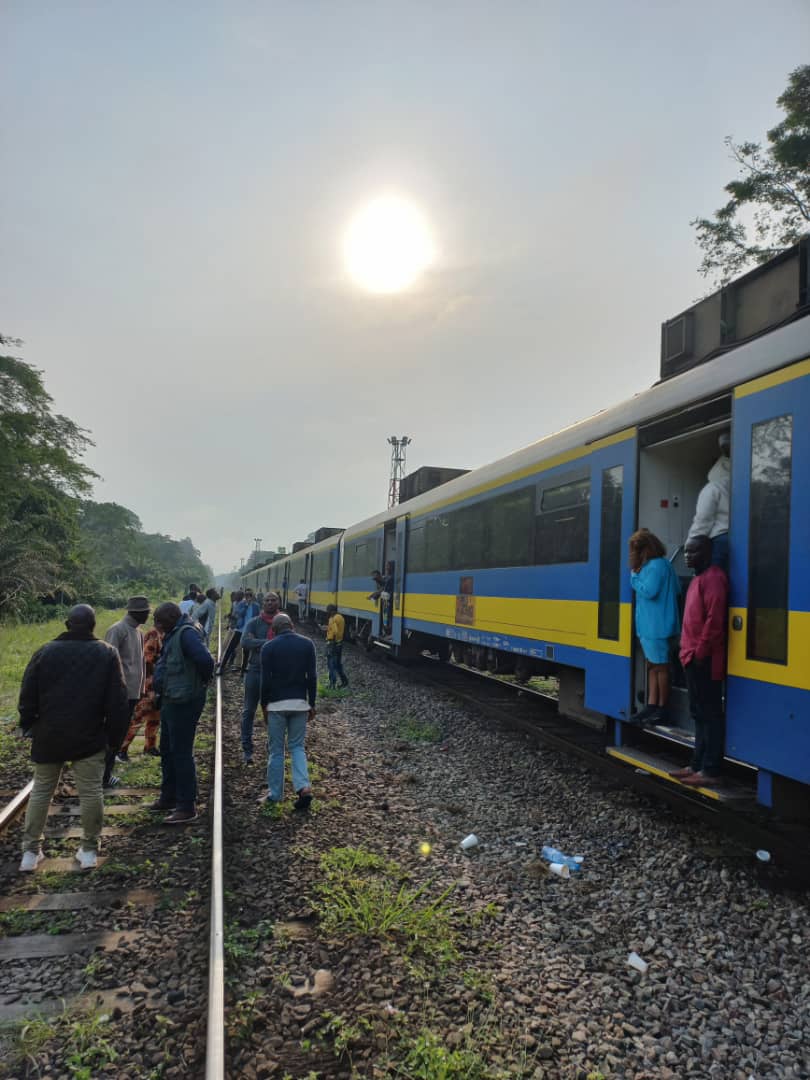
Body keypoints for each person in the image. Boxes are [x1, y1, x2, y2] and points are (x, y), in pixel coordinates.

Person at [17, 604, 129, 872]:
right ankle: (88, 851)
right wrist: (114, 739)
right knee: (91, 792)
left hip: (49, 735)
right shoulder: (106, 653)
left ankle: (30, 854)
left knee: (42, 791)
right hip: (88, 736)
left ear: (67, 624)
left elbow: (27, 696)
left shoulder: (45, 652)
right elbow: (118, 703)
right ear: (92, 626)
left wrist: (29, 724)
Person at [669, 535, 729, 786]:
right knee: (698, 713)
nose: (687, 556)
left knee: (710, 714)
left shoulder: (714, 579)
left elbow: (714, 622)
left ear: (706, 553)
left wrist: (699, 654)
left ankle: (710, 770)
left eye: (693, 552)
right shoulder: (697, 579)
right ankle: (696, 764)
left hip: (704, 659)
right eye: (686, 552)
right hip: (691, 656)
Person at [151, 602, 214, 823]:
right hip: (171, 699)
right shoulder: (175, 631)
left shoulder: (186, 634)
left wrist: (199, 685)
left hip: (184, 701)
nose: (156, 626)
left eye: (158, 621)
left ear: (169, 618)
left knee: (181, 752)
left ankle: (187, 806)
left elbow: (206, 661)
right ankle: (169, 797)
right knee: (167, 749)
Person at [259, 613, 317, 809]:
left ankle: (275, 794)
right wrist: (312, 703)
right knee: (297, 747)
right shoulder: (307, 644)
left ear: (273, 630)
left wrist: (263, 705)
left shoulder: (269, 647)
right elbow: (312, 677)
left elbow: (265, 680)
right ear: (292, 625)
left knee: (276, 751)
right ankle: (303, 788)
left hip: (276, 705)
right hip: (300, 704)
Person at [629, 529, 681, 724]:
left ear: (642, 550)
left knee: (660, 667)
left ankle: (661, 708)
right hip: (658, 624)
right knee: (654, 666)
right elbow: (676, 588)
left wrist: (634, 577)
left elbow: (649, 591)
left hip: (655, 626)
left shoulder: (654, 567)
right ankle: (652, 705)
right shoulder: (665, 565)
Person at [103, 596, 150, 787]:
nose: (148, 614)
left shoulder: (137, 631)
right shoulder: (117, 630)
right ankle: (103, 776)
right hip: (119, 694)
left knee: (119, 734)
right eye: (146, 611)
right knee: (113, 736)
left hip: (132, 693)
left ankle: (106, 774)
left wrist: (142, 689)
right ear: (136, 612)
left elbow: (139, 664)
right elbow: (108, 662)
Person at [239, 592, 282, 764]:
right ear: (262, 603)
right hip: (255, 671)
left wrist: (257, 641)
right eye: (267, 600)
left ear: (278, 602)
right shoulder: (254, 622)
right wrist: (270, 643)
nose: (270, 603)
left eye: (273, 600)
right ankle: (247, 750)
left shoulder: (284, 622)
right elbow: (245, 642)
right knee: (249, 711)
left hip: (276, 672)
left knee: (274, 713)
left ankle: (271, 749)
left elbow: (287, 643)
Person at [117, 623, 164, 760]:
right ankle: (121, 750)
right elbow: (147, 658)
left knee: (155, 717)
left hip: (157, 682)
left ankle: (150, 747)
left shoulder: (163, 634)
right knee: (138, 717)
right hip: (148, 683)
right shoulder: (154, 635)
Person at [688, 432, 730, 569]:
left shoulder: (712, 488)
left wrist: (690, 545)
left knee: (715, 580)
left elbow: (702, 521)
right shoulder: (741, 485)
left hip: (719, 541)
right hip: (738, 540)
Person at [220, 589, 259, 674]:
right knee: (230, 648)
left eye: (250, 595)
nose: (248, 597)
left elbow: (257, 618)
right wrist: (246, 605)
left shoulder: (256, 606)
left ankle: (243, 671)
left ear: (253, 596)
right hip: (240, 629)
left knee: (246, 652)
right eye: (247, 595)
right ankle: (221, 667)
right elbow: (239, 614)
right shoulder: (241, 604)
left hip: (249, 631)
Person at [326, 604, 349, 689]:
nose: (327, 613)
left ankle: (332, 684)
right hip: (339, 643)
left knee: (331, 664)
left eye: (328, 611)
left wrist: (332, 643)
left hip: (333, 644)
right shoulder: (341, 617)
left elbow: (335, 631)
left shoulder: (333, 618)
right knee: (338, 664)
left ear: (332, 611)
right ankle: (344, 681)